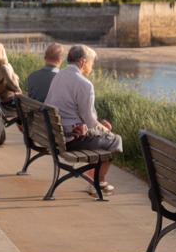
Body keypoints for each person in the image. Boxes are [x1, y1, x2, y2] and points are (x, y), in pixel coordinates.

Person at [43, 45, 123, 195]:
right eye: (91, 63)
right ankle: (98, 182)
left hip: (56, 136)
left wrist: (90, 126)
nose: (92, 67)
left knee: (98, 134)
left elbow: (53, 105)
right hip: (70, 140)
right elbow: (91, 121)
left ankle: (93, 177)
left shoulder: (59, 76)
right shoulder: (85, 84)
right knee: (115, 140)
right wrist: (105, 129)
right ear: (83, 62)